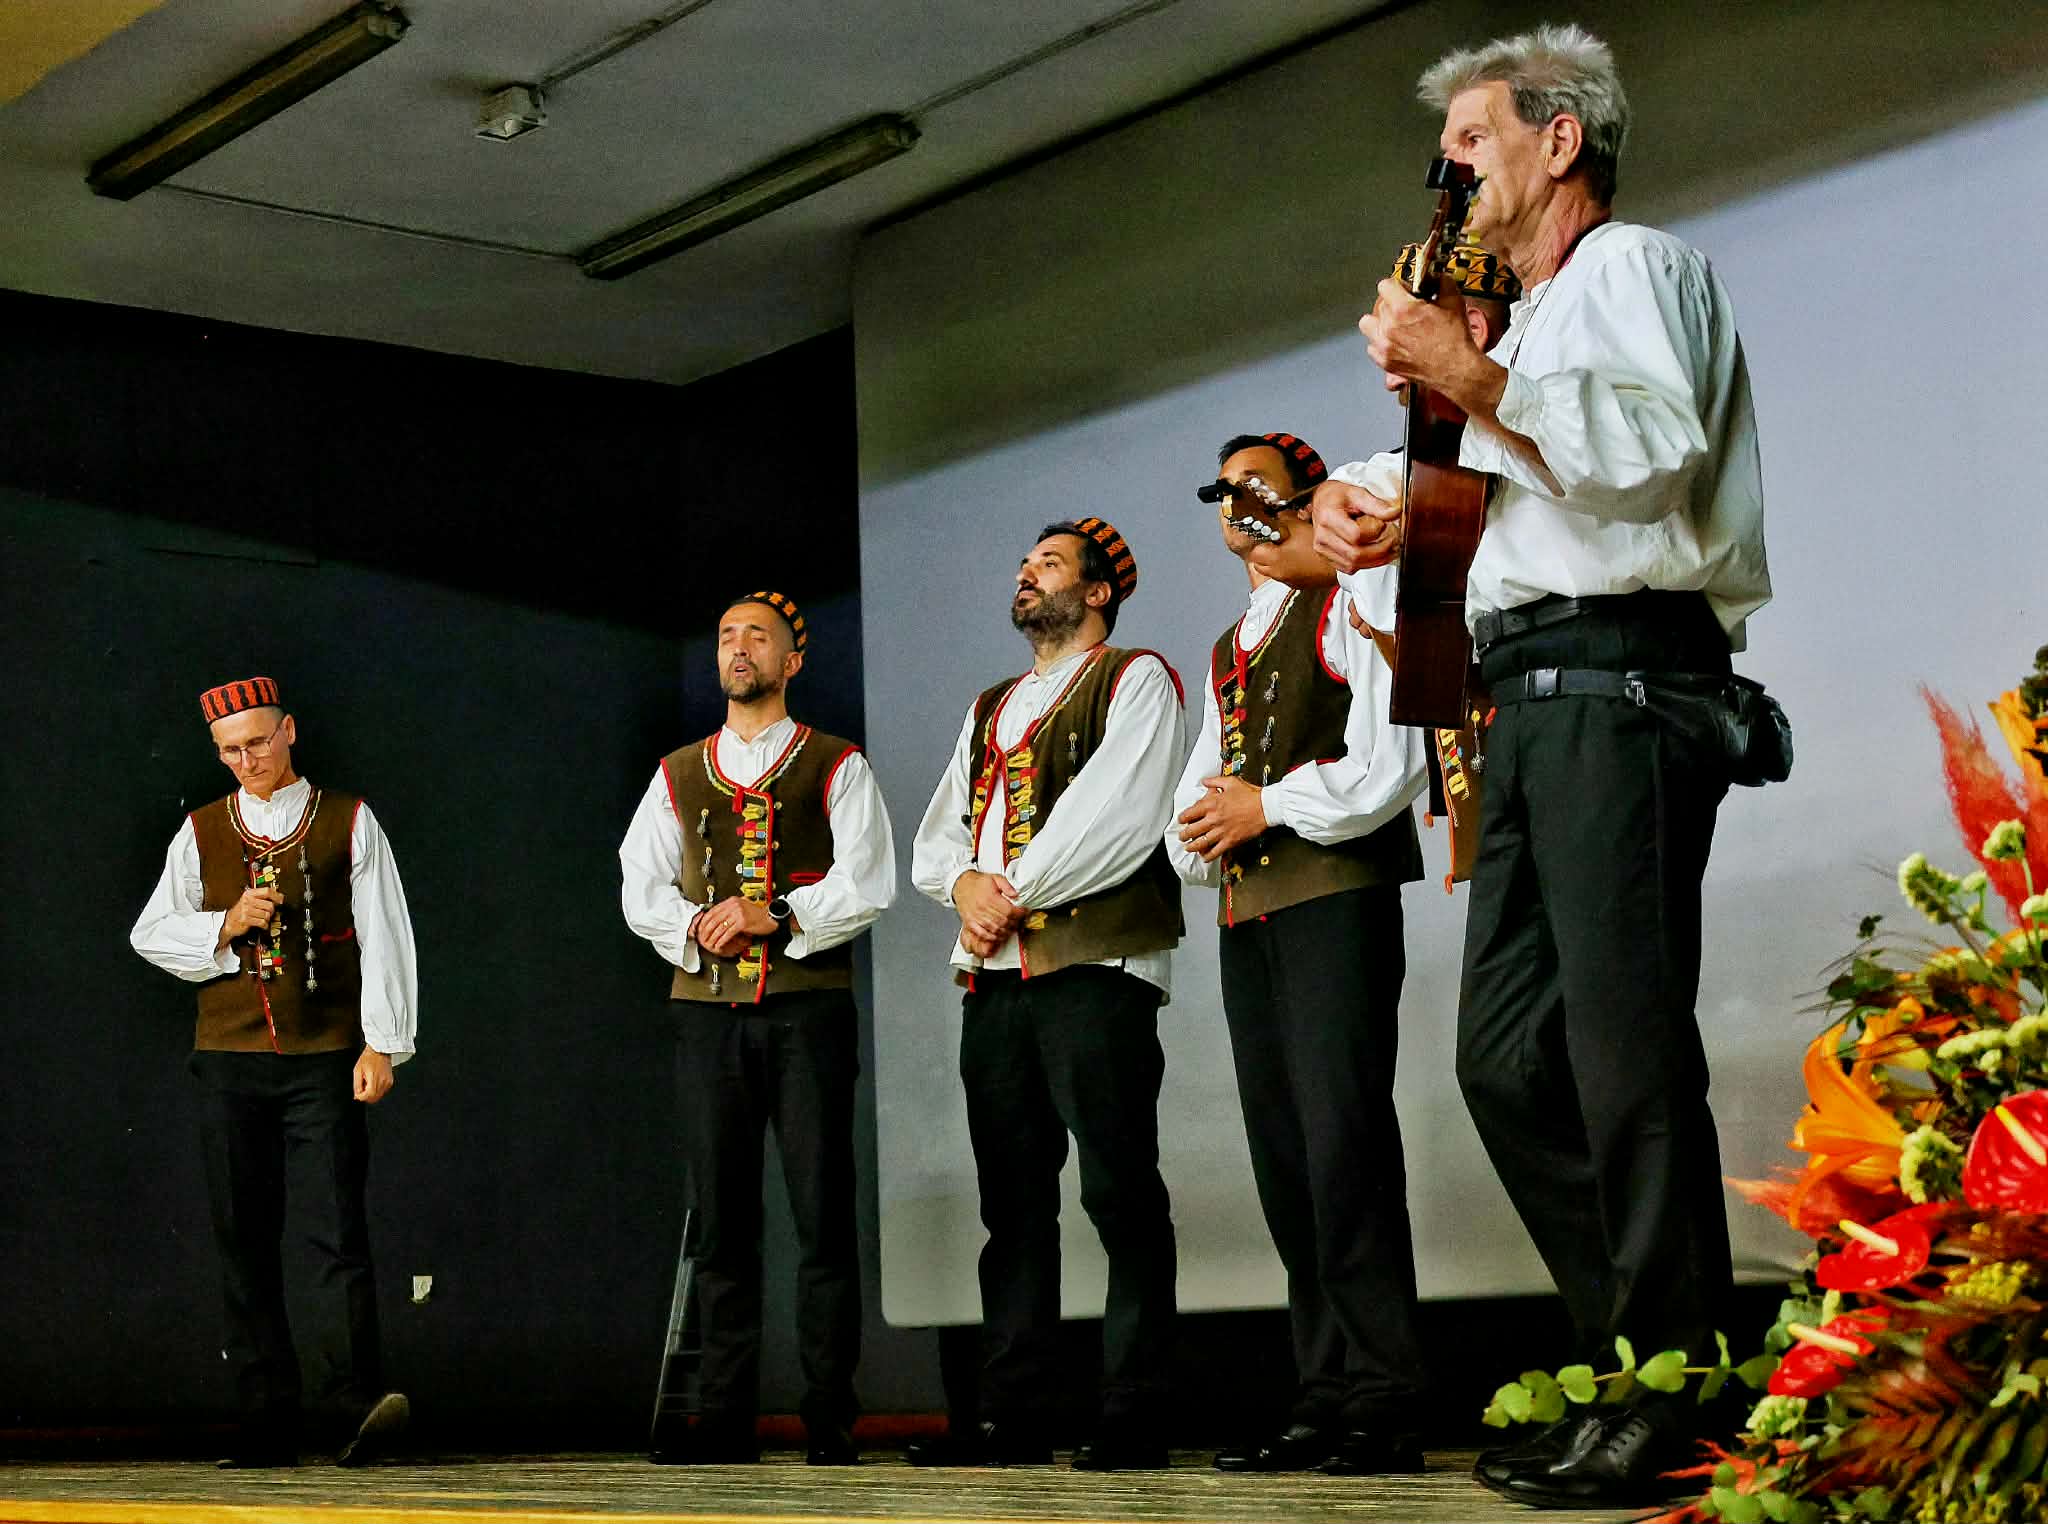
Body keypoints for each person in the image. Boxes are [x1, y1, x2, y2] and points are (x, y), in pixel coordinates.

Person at [1311, 22, 1771, 1509]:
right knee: (1506, 1060)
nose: (1446, 166)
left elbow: (1645, 459)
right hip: (1531, 694)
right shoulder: (1529, 318)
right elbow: (1513, 490)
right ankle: (1639, 1368)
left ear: (1558, 139)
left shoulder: (1633, 267)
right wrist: (1367, 506)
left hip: (1622, 679)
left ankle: (1676, 1393)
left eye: (1470, 138)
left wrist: (1464, 368)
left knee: (1623, 1054)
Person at [1168, 433, 1431, 1477]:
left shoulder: (1350, 601)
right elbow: (1196, 797)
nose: (1240, 504)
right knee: (1285, 1158)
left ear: (1307, 501)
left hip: (1334, 900)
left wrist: (1266, 805)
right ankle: (1323, 1390)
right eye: (1225, 491)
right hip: (1251, 912)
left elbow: (1388, 762)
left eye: (1260, 487)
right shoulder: (1226, 648)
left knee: (1342, 1145)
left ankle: (1384, 1395)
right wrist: (1206, 827)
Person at [907, 518, 1185, 1472]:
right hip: (996, 980)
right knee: (1013, 1203)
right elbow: (943, 831)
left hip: (1096, 971)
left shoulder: (1135, 679)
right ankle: (1014, 1413)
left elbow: (1118, 817)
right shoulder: (991, 704)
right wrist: (962, 886)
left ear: (1097, 591)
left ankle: (1135, 1408)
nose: (1027, 576)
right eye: (1024, 565)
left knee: (1119, 1190)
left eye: (1049, 565)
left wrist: (1006, 894)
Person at [620, 590, 896, 1466]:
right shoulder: (678, 771)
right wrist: (699, 927)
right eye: (728, 636)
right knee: (721, 1221)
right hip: (707, 1016)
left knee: (821, 1215)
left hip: (808, 1011)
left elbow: (868, 880)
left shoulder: (835, 763)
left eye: (759, 637)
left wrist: (773, 912)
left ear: (791, 660)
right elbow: (639, 884)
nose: (739, 649)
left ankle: (829, 1417)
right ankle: (723, 1417)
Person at [130, 676, 417, 1469]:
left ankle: (353, 1407)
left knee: (336, 1232)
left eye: (257, 742)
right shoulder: (201, 829)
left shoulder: (348, 819)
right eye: (229, 751)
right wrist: (224, 926)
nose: (246, 760)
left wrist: (382, 1043)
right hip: (229, 1059)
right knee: (243, 1238)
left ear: (288, 732)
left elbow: (387, 935)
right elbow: (151, 932)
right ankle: (266, 1421)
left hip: (325, 1056)